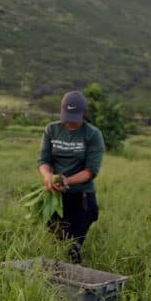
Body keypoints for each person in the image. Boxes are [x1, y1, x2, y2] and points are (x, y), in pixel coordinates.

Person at [38, 91, 105, 264]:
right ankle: (54, 284)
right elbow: (44, 160)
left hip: (81, 198)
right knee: (56, 244)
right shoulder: (52, 129)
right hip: (55, 198)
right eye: (67, 117)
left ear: (84, 113)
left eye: (75, 117)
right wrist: (48, 177)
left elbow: (91, 171)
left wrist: (67, 181)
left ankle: (73, 283)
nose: (70, 122)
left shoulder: (92, 134)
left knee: (72, 247)